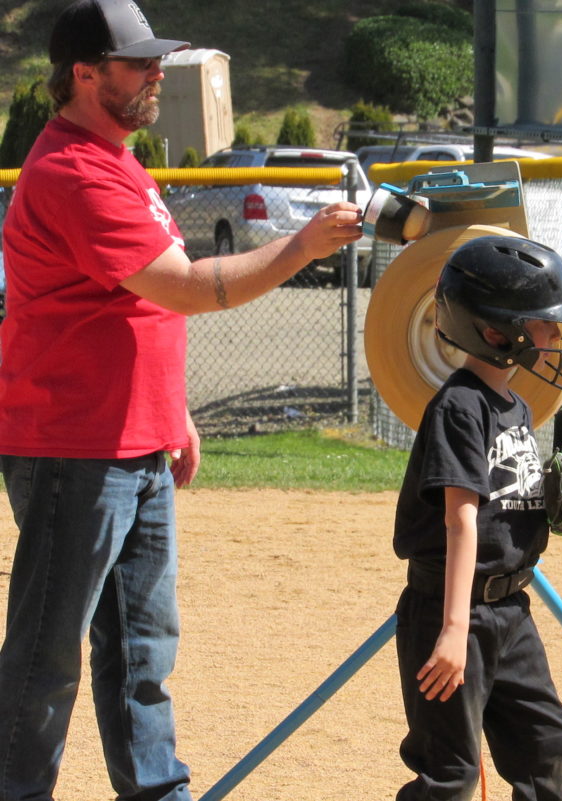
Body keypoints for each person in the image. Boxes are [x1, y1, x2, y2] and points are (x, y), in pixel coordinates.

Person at [0, 2, 363, 800]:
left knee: (143, 647)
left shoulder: (118, 157)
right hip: (72, 445)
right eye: (138, 61)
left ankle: (157, 791)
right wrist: (301, 245)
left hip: (133, 439)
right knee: (46, 655)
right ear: (85, 75)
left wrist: (174, 410)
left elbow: (133, 307)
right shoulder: (71, 170)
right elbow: (189, 286)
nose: (157, 70)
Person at [392, 235, 562, 801]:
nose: (555, 336)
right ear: (494, 331)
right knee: (450, 776)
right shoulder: (460, 407)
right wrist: (454, 631)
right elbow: (461, 521)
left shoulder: (518, 408)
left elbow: (510, 506)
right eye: (542, 323)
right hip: (454, 615)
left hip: (512, 615)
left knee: (549, 760)